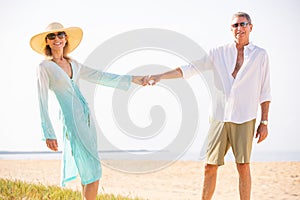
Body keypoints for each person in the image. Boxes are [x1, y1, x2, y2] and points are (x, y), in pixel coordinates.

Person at [145, 12, 271, 200]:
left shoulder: (260, 55)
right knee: (209, 166)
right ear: (231, 29)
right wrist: (160, 75)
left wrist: (265, 121)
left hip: (244, 117)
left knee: (243, 166)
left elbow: (265, 90)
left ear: (250, 27)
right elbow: (190, 68)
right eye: (235, 25)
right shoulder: (218, 52)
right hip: (219, 117)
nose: (239, 28)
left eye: (243, 24)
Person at [30, 22, 145, 200]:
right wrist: (48, 132)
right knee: (93, 169)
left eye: (60, 35)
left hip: (86, 118)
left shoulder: (73, 64)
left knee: (87, 169)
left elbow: (101, 76)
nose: (56, 39)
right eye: (51, 36)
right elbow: (41, 100)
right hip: (71, 120)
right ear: (47, 42)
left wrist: (133, 79)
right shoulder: (44, 68)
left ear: (65, 38)